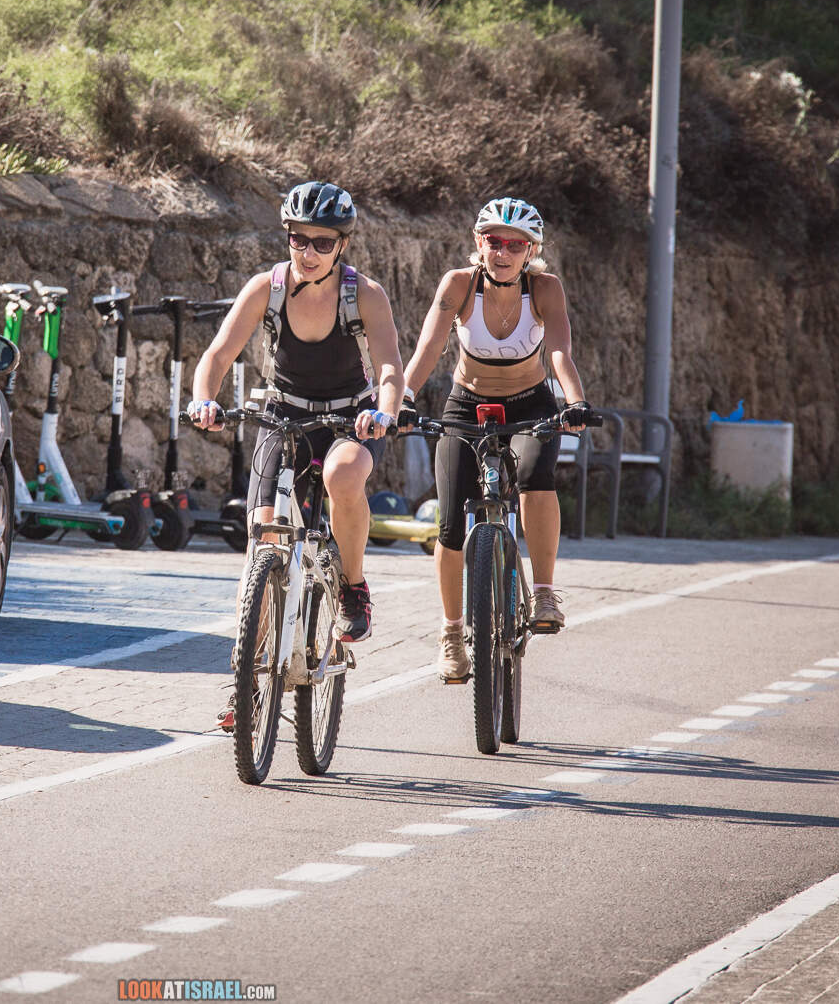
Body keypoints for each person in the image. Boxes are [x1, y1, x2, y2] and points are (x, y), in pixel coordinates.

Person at [187, 180, 404, 730]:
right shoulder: (268, 287)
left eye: (321, 243)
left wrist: (383, 409)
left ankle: (353, 588)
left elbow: (389, 369)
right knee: (262, 539)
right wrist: (203, 398)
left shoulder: (365, 294)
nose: (307, 252)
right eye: (297, 239)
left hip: (346, 418)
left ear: (343, 246)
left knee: (343, 472)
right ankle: (245, 675)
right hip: (282, 415)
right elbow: (217, 353)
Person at [401, 197, 592, 682]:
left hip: (532, 404)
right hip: (466, 404)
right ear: (477, 243)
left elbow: (560, 353)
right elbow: (428, 347)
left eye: (515, 244)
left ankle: (544, 592)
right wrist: (400, 399)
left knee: (534, 476)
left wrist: (573, 401)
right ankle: (450, 635)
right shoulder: (459, 286)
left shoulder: (545, 289)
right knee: (448, 520)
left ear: (531, 251)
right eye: (493, 241)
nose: (503, 251)